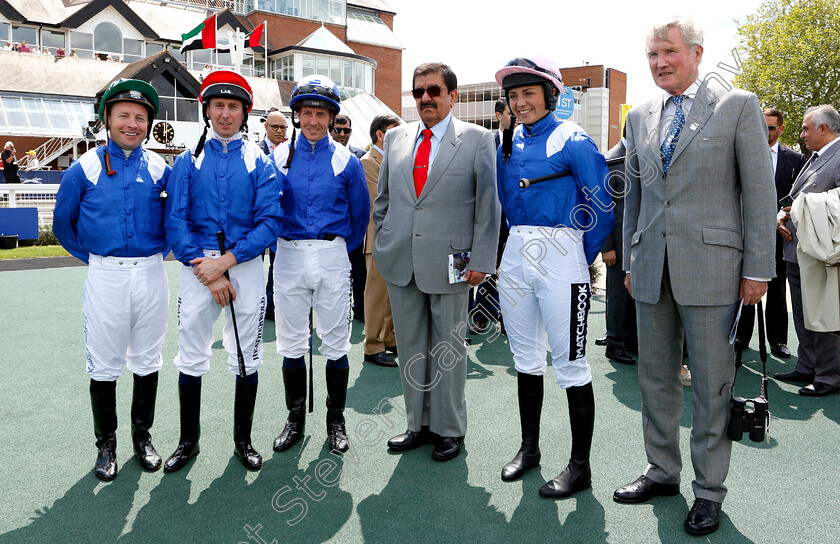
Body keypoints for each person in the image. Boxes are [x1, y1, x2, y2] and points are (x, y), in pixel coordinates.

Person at [614, 17, 776, 536]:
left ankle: (708, 492)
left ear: (697, 53)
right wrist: (633, 260)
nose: (659, 62)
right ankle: (662, 472)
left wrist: (757, 269)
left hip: (715, 271)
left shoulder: (737, 106)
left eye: (669, 52)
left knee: (711, 387)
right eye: (652, 55)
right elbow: (635, 198)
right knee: (655, 380)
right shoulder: (638, 116)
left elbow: (759, 193)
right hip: (652, 270)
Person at [493, 57, 613, 497]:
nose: (520, 102)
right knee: (525, 359)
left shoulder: (574, 139)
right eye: (514, 95)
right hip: (516, 255)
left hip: (563, 255)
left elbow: (602, 204)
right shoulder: (507, 143)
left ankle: (580, 467)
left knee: (571, 365)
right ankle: (530, 450)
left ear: (550, 96)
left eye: (529, 93)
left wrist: (576, 256)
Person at [373, 62, 500, 462]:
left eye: (433, 90)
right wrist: (385, 241)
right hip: (401, 262)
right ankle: (418, 424)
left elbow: (488, 206)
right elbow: (383, 203)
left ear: (452, 96)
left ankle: (449, 429)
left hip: (455, 264)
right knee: (411, 346)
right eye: (418, 92)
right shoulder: (395, 138)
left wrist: (481, 260)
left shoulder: (479, 139)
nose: (425, 98)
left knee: (448, 349)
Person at [163, 69, 282, 473]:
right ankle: (187, 442)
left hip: (244, 265)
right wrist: (208, 270)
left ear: (245, 112)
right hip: (198, 266)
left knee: (246, 355)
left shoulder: (260, 161)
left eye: (233, 106)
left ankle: (243, 441)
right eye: (219, 106)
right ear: (207, 110)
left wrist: (227, 263)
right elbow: (174, 221)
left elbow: (269, 222)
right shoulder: (186, 161)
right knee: (191, 354)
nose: (226, 113)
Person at [53, 79, 171, 481]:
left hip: (152, 272)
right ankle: (106, 446)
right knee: (104, 364)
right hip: (105, 275)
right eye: (124, 115)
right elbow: (63, 225)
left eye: (141, 118)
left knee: (148, 358)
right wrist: (96, 260)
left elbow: (175, 220)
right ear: (107, 119)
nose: (132, 124)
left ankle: (143, 437)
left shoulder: (160, 167)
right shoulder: (82, 168)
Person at [269, 74, 369, 455]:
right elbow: (267, 209)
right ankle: (295, 419)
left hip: (331, 254)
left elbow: (360, 216)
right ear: (296, 116)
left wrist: (338, 249)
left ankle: (335, 420)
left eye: (321, 114)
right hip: (289, 253)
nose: (313, 121)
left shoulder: (348, 161)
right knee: (292, 341)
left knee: (335, 341)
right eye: (306, 113)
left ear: (332, 117)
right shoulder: (277, 157)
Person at [775, 104, 840, 396]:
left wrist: (799, 208)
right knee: (802, 313)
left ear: (823, 129)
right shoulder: (815, 158)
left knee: (824, 314)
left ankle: (829, 375)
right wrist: (783, 215)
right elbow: (798, 197)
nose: (801, 135)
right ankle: (808, 366)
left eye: (805, 128)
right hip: (799, 251)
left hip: (822, 255)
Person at [735, 108, 806, 358]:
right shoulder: (741, 153)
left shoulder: (795, 160)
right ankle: (741, 337)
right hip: (744, 233)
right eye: (761, 126)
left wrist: (784, 217)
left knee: (777, 288)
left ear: (782, 129)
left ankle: (778, 340)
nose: (766, 132)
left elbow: (799, 198)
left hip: (780, 235)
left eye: (771, 128)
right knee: (744, 283)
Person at [361, 114, 401, 367]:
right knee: (376, 295)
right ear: (380, 134)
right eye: (395, 133)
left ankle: (388, 339)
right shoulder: (368, 162)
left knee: (390, 294)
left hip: (393, 238)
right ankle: (372, 345)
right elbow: (379, 201)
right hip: (377, 237)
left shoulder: (391, 160)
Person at [598, 134, 637, 366]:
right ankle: (615, 344)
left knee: (631, 294)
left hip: (635, 240)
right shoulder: (611, 160)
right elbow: (601, 209)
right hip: (618, 243)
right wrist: (607, 247)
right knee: (618, 296)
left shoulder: (637, 157)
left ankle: (630, 340)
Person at [332, 114, 368, 323]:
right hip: (333, 229)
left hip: (354, 227)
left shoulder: (360, 155)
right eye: (338, 130)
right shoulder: (320, 154)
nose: (342, 134)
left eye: (347, 130)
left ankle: (360, 309)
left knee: (359, 271)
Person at [258, 109, 288, 321]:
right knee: (254, 266)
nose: (279, 130)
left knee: (277, 267)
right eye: (275, 126)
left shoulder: (291, 151)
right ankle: (256, 304)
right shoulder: (255, 151)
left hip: (282, 222)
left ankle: (272, 307)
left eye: (283, 127)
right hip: (258, 222)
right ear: (266, 127)